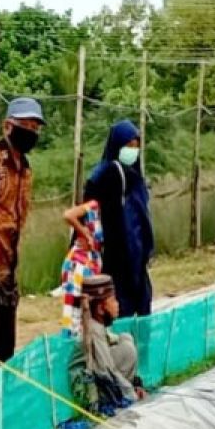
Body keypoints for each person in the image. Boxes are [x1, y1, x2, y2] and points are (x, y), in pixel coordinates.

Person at [0, 97, 43, 429]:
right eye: (24, 125)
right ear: (7, 125)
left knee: (4, 351)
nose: (30, 131)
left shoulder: (26, 168)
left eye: (35, 127)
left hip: (8, 272)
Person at [83, 120, 154, 318]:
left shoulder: (135, 179)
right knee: (117, 311)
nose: (133, 150)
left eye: (136, 145)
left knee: (143, 308)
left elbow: (142, 218)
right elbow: (87, 214)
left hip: (137, 259)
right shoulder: (103, 177)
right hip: (113, 261)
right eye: (128, 146)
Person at [66, 274, 144, 424]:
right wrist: (131, 395)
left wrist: (136, 383)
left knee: (125, 338)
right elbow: (105, 372)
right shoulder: (93, 331)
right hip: (88, 388)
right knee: (127, 350)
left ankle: (121, 390)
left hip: (101, 375)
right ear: (101, 309)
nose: (117, 304)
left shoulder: (98, 327)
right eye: (113, 300)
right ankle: (114, 398)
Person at [60, 200, 103, 337]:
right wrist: (84, 233)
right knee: (74, 312)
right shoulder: (93, 206)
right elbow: (68, 215)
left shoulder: (109, 212)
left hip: (91, 261)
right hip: (78, 263)